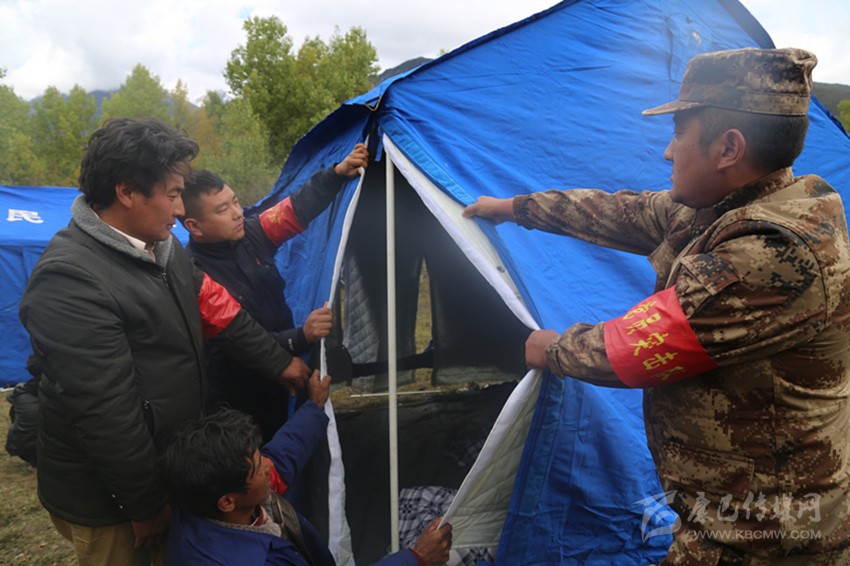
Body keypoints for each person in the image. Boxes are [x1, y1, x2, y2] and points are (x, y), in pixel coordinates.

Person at [464, 48, 850, 563]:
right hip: (728, 511)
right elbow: (620, 211)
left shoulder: (773, 251)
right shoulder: (730, 204)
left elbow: (635, 348)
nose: (668, 153)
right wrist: (514, 209)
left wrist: (550, 348)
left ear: (728, 149)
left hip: (768, 537)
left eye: (678, 134)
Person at [18, 117, 311, 566]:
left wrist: (279, 361)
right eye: (172, 195)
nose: (178, 209)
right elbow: (106, 412)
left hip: (164, 470)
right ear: (126, 192)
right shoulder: (71, 279)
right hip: (112, 501)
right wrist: (145, 504)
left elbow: (220, 312)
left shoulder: (160, 248)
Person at [161, 372, 453, 566]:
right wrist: (416, 558)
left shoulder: (204, 500)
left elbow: (281, 457)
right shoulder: (252, 561)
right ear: (227, 502)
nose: (267, 466)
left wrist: (314, 407)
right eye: (258, 467)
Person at [179, 144, 368, 441]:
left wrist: (336, 173)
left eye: (235, 202)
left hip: (284, 374)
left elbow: (297, 207)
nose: (237, 213)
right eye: (222, 210)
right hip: (238, 396)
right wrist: (300, 336)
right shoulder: (195, 276)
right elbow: (230, 347)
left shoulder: (251, 234)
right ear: (194, 226)